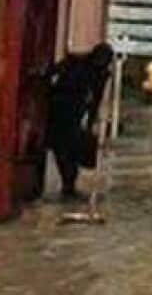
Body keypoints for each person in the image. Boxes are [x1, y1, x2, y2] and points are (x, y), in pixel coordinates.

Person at [45, 43, 114, 200]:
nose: (102, 63)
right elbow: (52, 73)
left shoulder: (101, 73)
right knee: (61, 147)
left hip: (75, 110)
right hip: (59, 107)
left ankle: (69, 184)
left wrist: (90, 122)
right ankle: (67, 184)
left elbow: (96, 98)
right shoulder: (76, 61)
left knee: (70, 148)